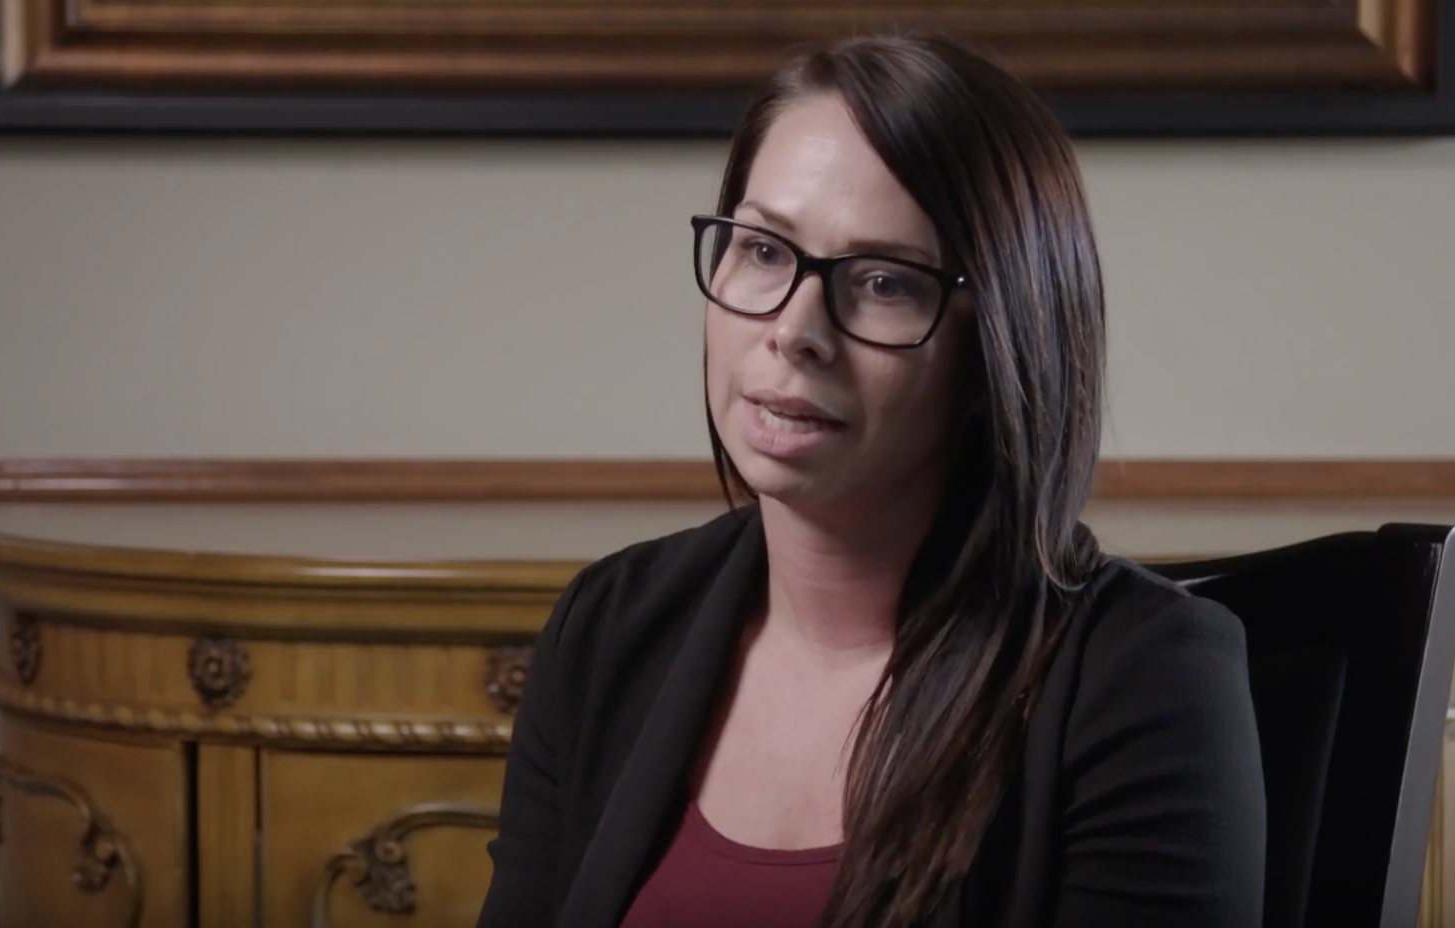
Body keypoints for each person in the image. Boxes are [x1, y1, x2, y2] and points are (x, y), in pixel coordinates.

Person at [476, 32, 1266, 928]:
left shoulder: (1144, 678)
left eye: (884, 281)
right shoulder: (609, 626)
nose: (796, 329)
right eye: (765, 251)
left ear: (996, 349)